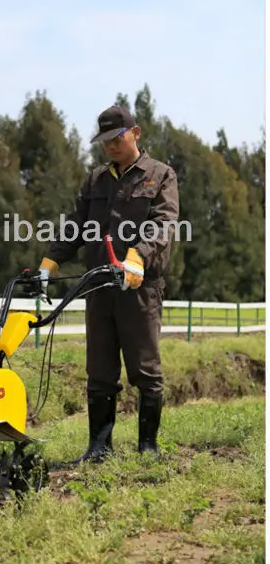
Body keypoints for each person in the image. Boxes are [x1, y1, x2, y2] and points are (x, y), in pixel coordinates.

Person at [38, 105, 179, 462]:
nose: (111, 146)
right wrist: (50, 261)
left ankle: (148, 448)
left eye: (117, 138)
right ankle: (99, 450)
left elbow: (163, 223)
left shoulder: (160, 175)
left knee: (145, 369)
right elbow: (76, 225)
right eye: (105, 141)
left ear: (136, 133)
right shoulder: (96, 180)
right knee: (99, 371)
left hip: (140, 289)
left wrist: (138, 255)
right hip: (99, 286)